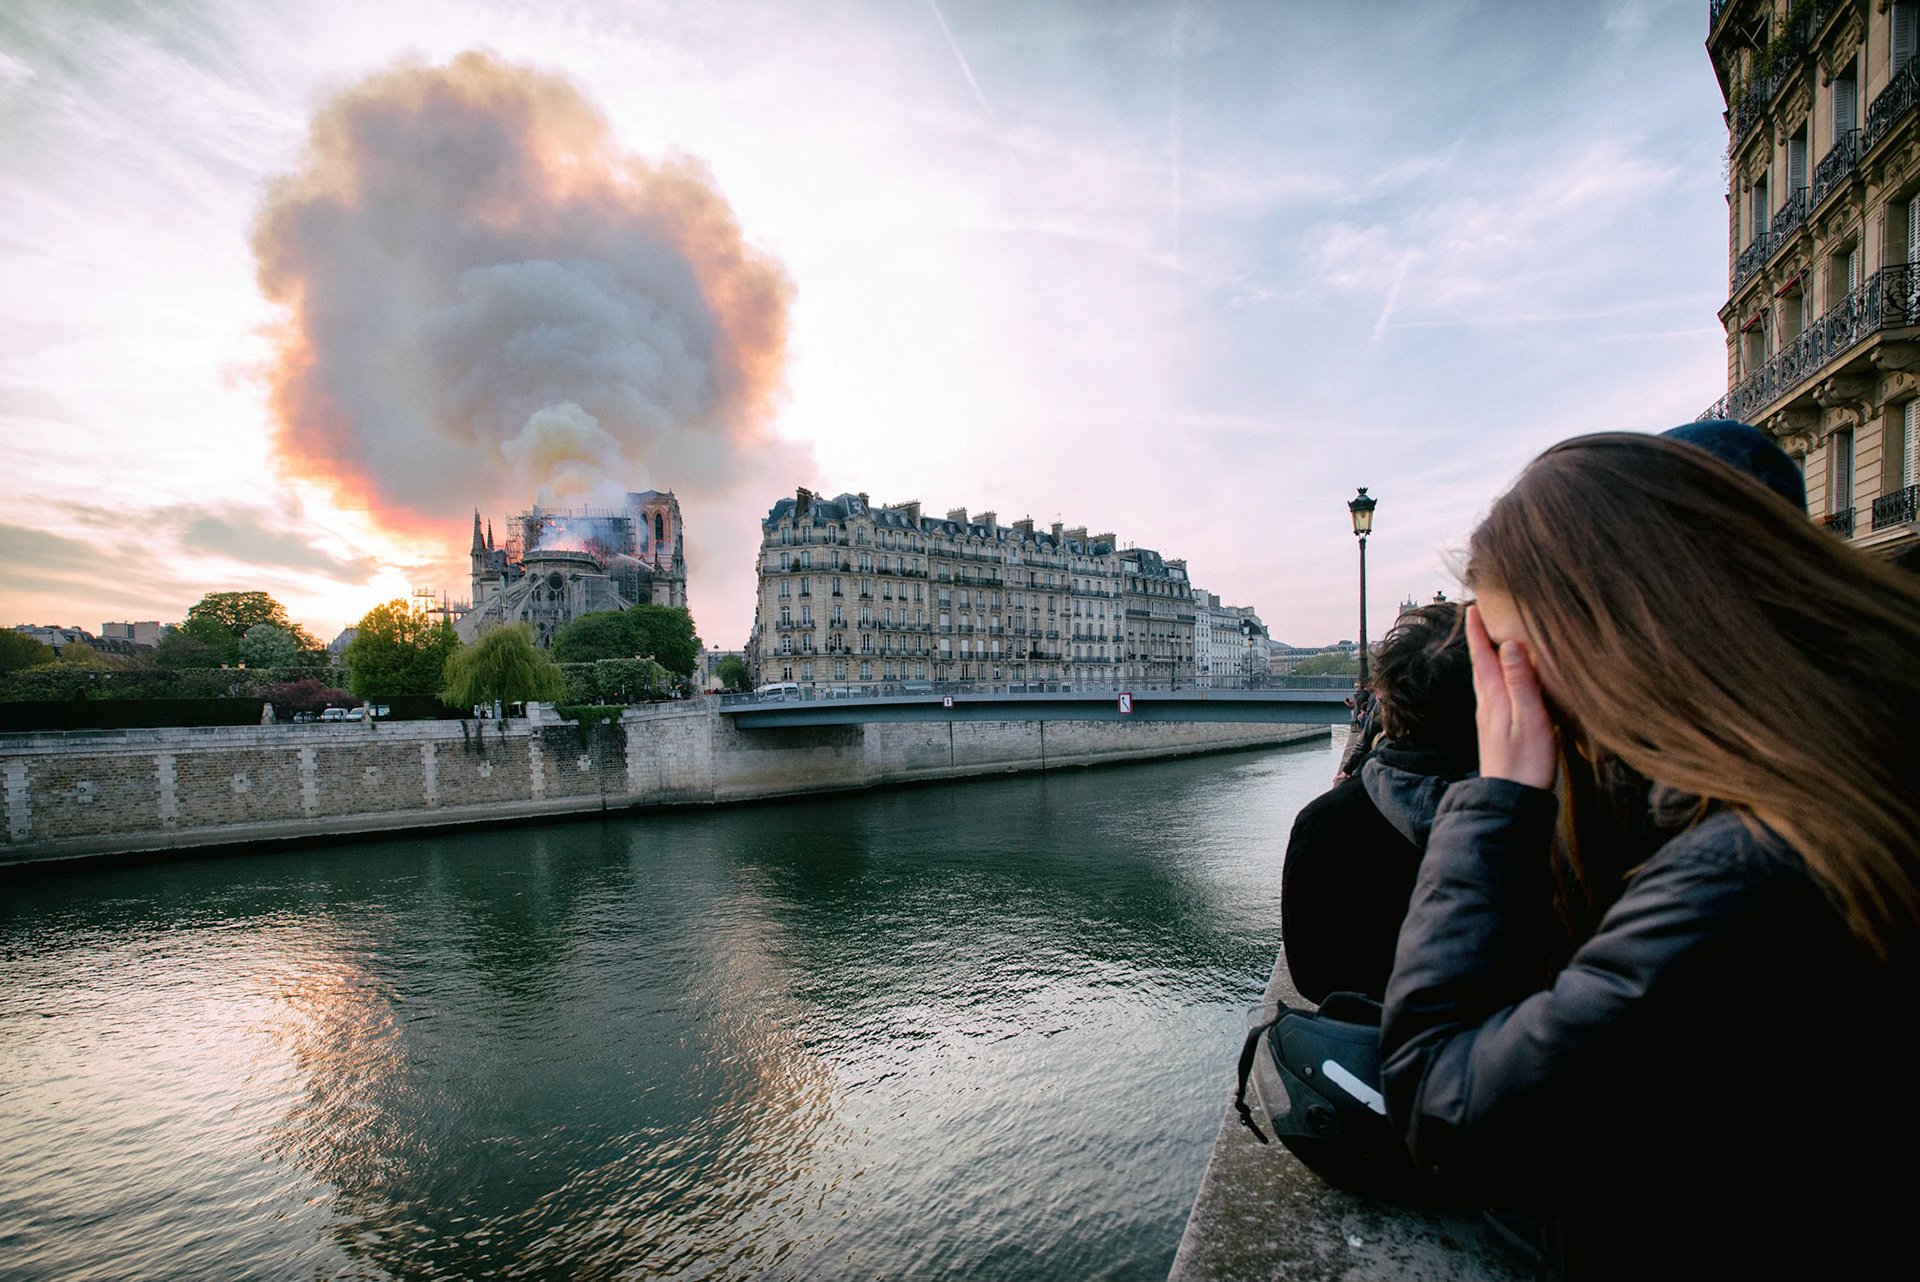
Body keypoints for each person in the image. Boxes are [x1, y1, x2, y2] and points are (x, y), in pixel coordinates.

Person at [1381, 432, 1920, 1279]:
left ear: (1614, 634)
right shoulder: (1849, 772)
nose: (1524, 698)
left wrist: (1498, 796)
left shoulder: (1745, 874)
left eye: (1519, 660)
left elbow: (1445, 1109)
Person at [1282, 603, 1476, 1003]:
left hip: (1371, 1030)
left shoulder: (1324, 823)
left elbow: (1311, 976)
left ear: (1386, 704)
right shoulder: (1534, 819)